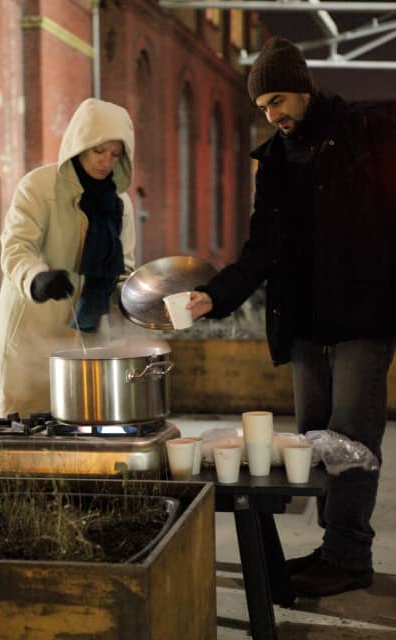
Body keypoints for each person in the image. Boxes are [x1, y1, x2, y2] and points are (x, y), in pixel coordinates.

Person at [188, 36, 396, 597]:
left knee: (353, 441)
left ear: (303, 87)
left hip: (361, 320)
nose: (273, 115)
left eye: (278, 100)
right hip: (303, 325)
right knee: (314, 446)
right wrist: (216, 295)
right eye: (263, 108)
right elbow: (262, 250)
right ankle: (334, 550)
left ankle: (351, 557)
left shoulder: (364, 128)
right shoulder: (275, 163)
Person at [0, 98, 135, 418]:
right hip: (30, 341)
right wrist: (37, 278)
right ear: (80, 142)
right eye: (98, 150)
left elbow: (125, 270)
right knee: (20, 441)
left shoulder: (121, 204)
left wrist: (139, 299)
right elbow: (15, 248)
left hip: (88, 346)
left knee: (83, 438)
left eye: (115, 153)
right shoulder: (38, 186)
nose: (106, 161)